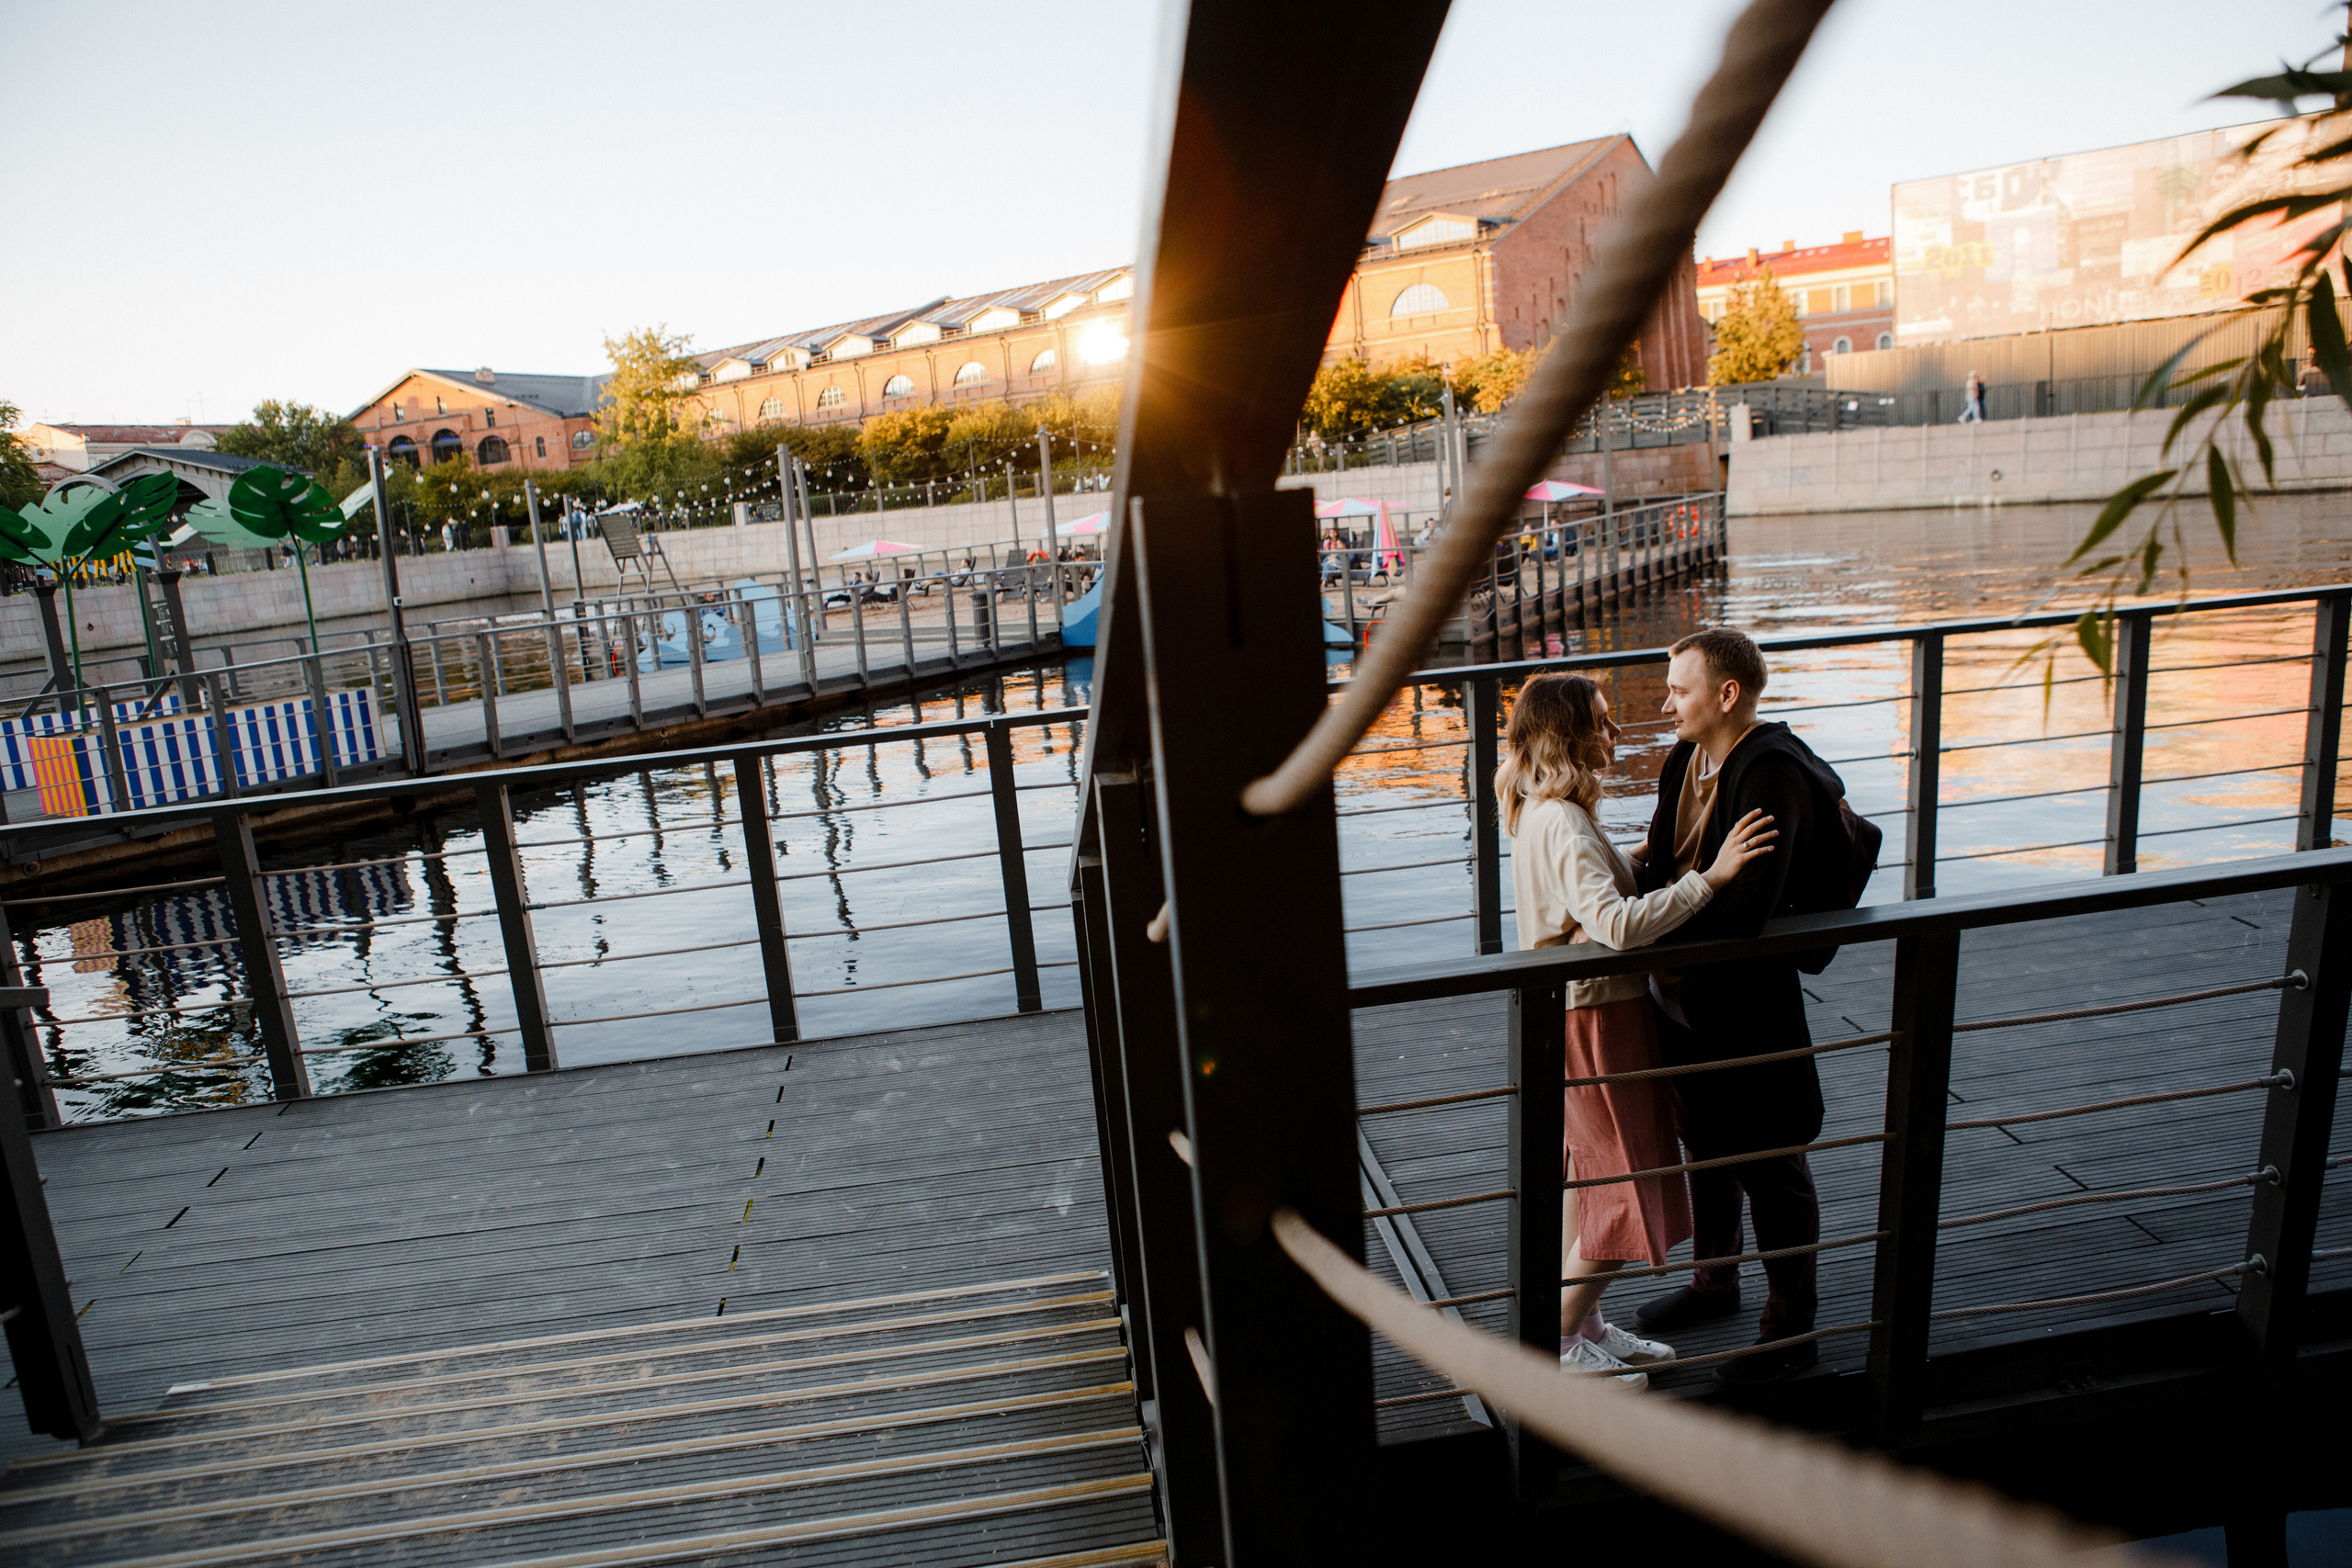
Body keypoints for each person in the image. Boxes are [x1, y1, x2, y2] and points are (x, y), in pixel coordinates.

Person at [1501, 671, 1777, 1391]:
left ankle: (1581, 1326)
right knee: (1629, 1180)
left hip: (1580, 1011)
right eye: (1601, 720)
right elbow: (1617, 927)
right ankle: (1558, 1342)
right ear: (1567, 732)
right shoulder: (1561, 821)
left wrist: (1653, 858)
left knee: (1592, 1178)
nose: (1616, 733)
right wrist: (1708, 879)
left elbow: (1594, 893)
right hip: (1596, 1015)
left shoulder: (1550, 809)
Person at [1631, 628, 1854, 1388]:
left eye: (1680, 691)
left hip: (1745, 1002)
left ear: (1727, 694)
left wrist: (1664, 910)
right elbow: (1662, 860)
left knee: (1772, 1161)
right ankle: (1713, 1284)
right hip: (1680, 995)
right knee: (1705, 1144)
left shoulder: (1771, 775)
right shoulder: (1682, 759)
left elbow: (1746, 913)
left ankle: (1791, 1331)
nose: (1667, 704)